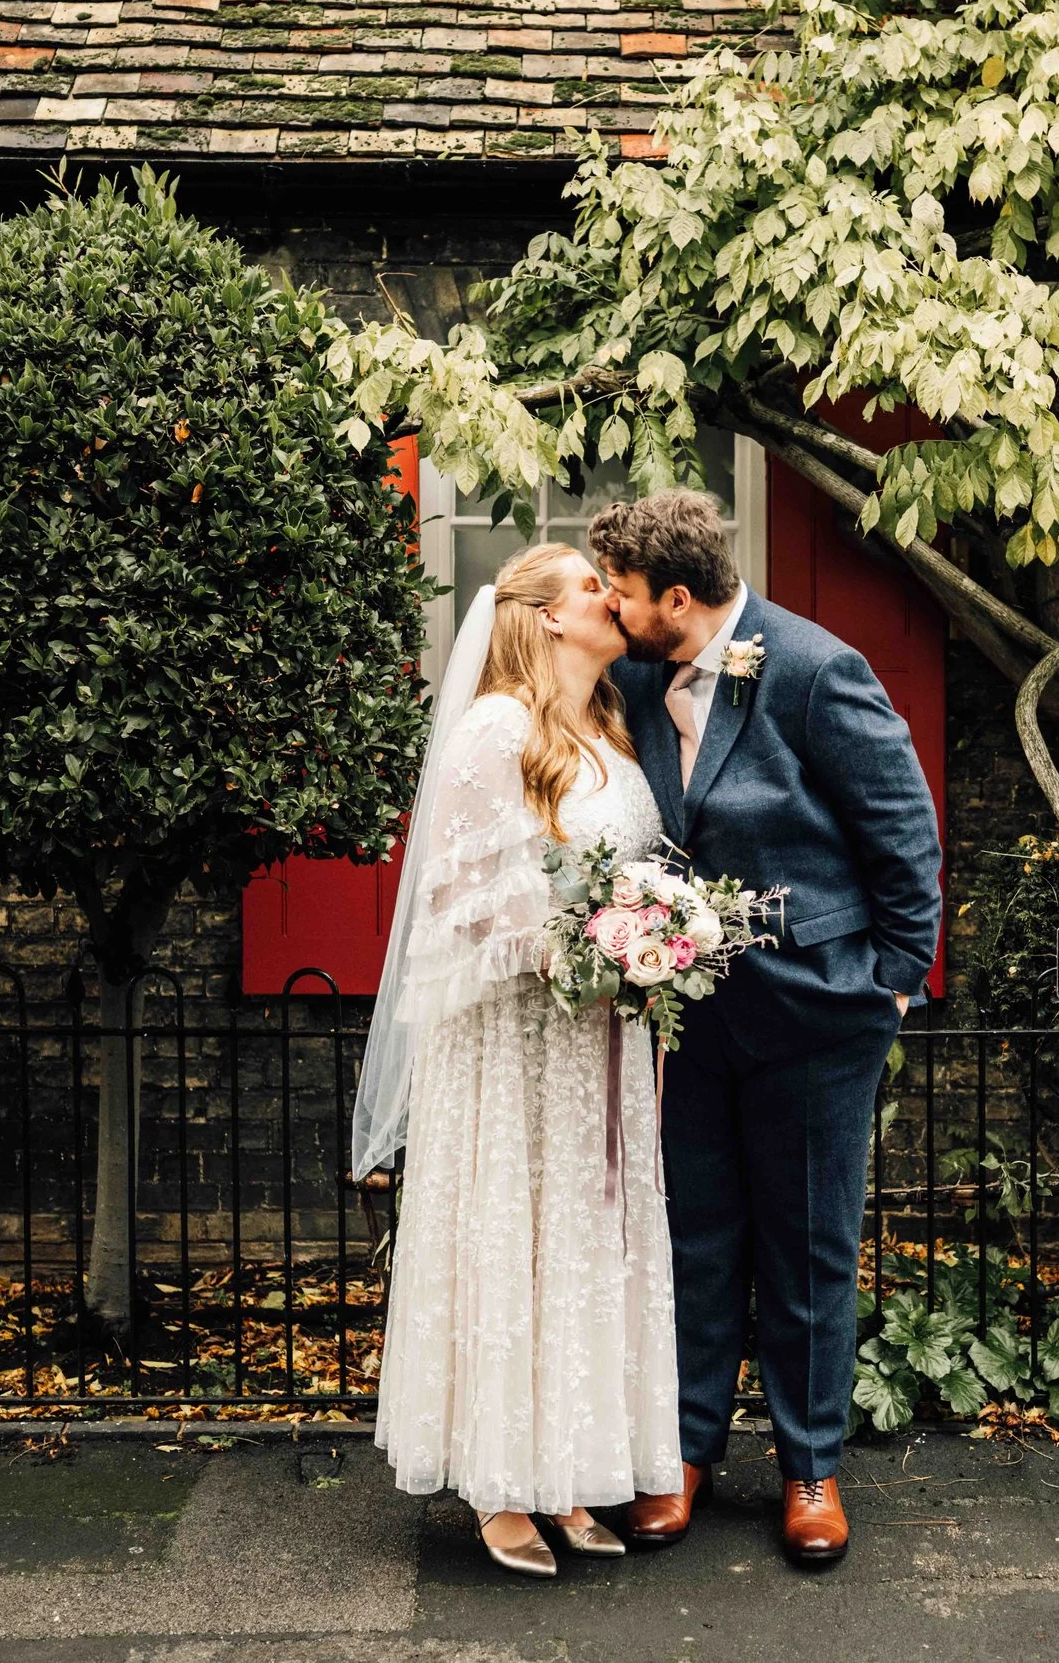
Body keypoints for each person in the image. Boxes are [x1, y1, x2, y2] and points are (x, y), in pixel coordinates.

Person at [591, 490, 943, 1567]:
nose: (609, 605)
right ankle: (686, 1453)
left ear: (680, 599)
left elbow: (903, 832)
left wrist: (886, 986)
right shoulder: (640, 675)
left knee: (805, 1246)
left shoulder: (812, 667)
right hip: (689, 1014)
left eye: (622, 591)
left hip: (815, 1012)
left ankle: (809, 1468)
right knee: (694, 1240)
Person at [353, 542, 682, 1578]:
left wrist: (664, 933)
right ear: (542, 615)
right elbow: (451, 899)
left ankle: (573, 1471)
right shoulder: (495, 728)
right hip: (512, 1041)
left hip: (600, 1046)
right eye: (591, 584)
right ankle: (500, 1485)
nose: (610, 596)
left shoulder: (612, 731)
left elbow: (633, 873)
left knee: (587, 1248)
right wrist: (570, 939)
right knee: (515, 1240)